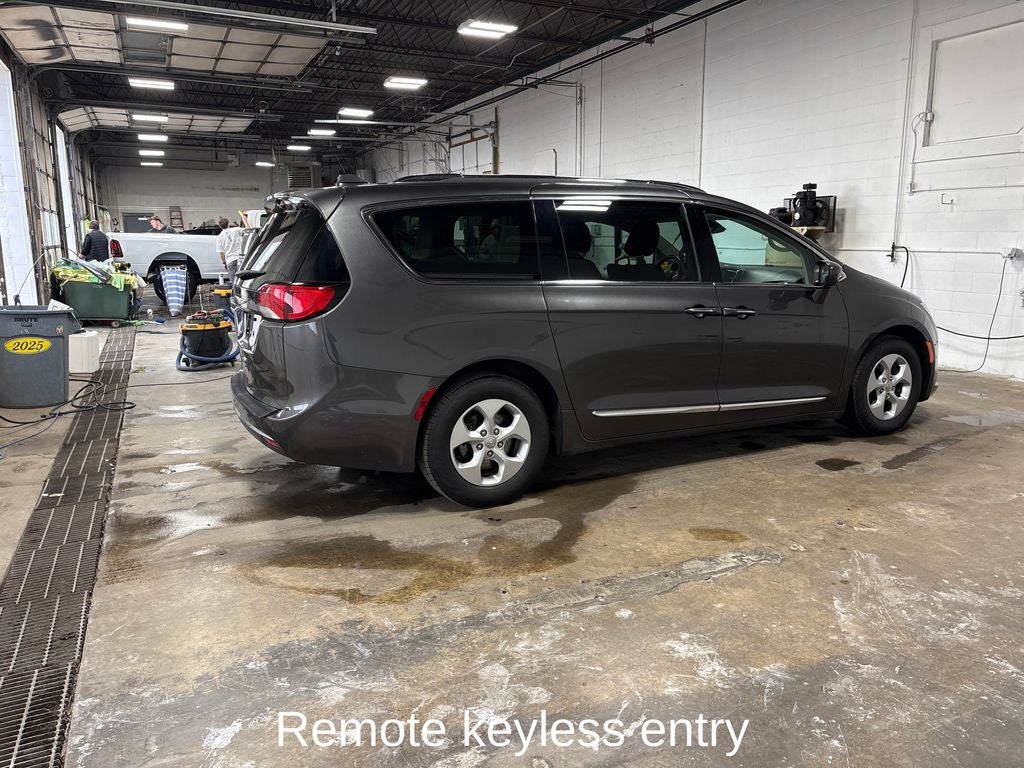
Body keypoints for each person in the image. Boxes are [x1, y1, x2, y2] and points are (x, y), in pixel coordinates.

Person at [216, 217, 244, 282]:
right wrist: (244, 219)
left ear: (220, 226)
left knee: (233, 282)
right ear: (228, 224)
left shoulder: (220, 237)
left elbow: (221, 252)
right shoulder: (236, 230)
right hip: (240, 259)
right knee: (242, 281)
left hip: (230, 260)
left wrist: (224, 262)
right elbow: (248, 230)